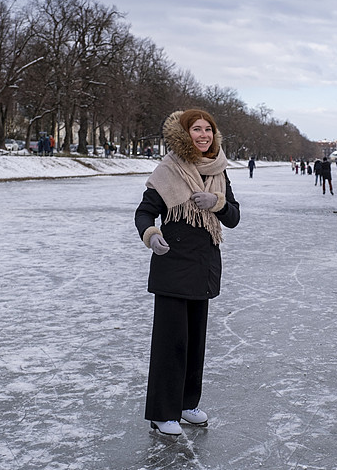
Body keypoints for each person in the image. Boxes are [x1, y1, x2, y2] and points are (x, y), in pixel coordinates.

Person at [135, 109, 240, 437]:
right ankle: (161, 413)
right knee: (171, 344)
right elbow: (144, 213)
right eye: (197, 129)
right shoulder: (169, 170)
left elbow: (234, 217)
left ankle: (185, 405)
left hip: (204, 268)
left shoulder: (219, 170)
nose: (204, 135)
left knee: (195, 343)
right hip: (172, 267)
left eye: (208, 129)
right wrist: (151, 236)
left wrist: (217, 203)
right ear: (185, 134)